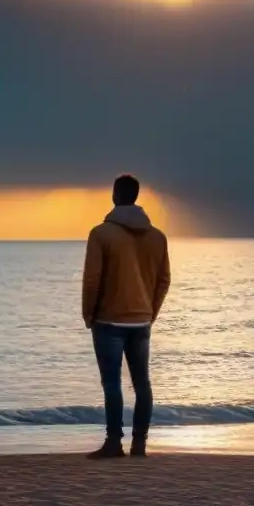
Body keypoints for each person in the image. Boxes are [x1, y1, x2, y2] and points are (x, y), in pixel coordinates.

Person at [82, 174, 171, 459]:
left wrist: (88, 314)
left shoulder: (101, 234)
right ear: (136, 196)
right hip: (141, 320)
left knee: (112, 383)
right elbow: (164, 280)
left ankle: (113, 442)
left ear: (115, 196)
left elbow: (92, 280)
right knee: (142, 383)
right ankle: (140, 444)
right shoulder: (157, 237)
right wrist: (151, 311)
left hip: (108, 320)